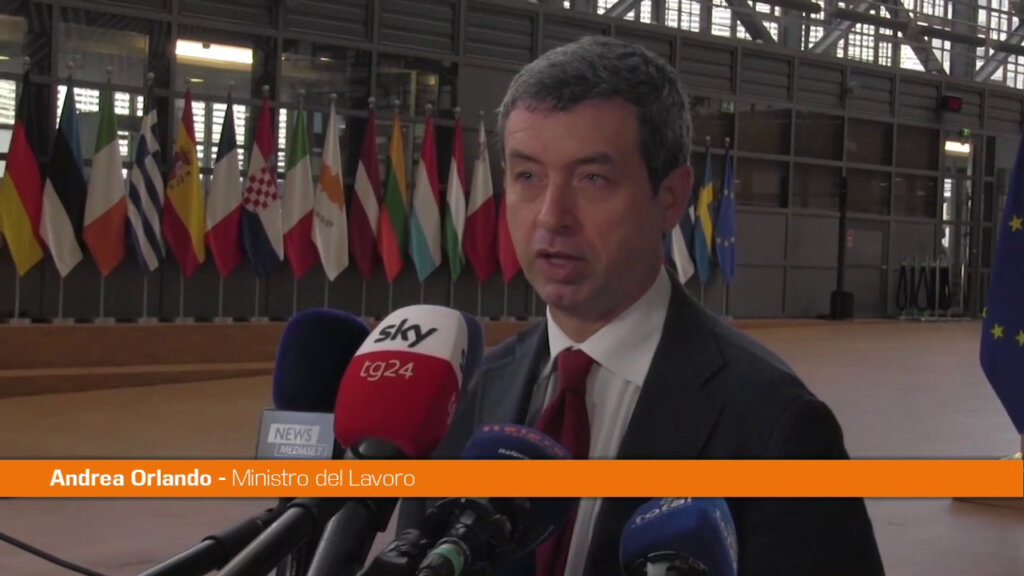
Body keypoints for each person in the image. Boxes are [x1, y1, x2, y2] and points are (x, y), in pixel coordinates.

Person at [401, 35, 885, 576]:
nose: (551, 215)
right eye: (528, 176)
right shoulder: (469, 392)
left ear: (671, 198)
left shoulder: (777, 425)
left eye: (593, 178)